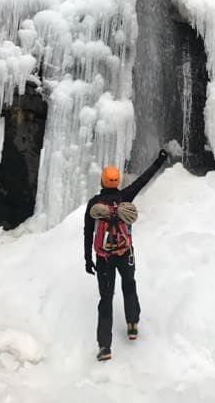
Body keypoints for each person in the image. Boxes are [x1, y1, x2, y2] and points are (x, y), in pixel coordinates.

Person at [84, 149, 168, 361]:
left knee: (106, 298)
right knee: (129, 285)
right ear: (117, 180)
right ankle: (132, 324)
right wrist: (160, 160)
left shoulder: (95, 204)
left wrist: (87, 258)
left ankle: (105, 347)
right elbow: (143, 180)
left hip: (104, 258)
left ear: (103, 181)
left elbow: (87, 231)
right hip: (125, 254)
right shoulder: (125, 197)